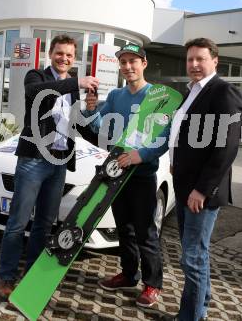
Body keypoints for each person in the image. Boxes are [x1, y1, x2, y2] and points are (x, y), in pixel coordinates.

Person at [0, 34, 99, 298]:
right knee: (18, 223)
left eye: (68, 55)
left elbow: (74, 124)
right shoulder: (37, 77)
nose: (64, 58)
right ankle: (6, 278)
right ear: (50, 54)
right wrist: (76, 81)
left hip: (60, 160)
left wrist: (90, 110)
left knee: (44, 224)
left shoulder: (74, 88)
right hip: (34, 160)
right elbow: (38, 94)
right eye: (59, 53)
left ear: (73, 59)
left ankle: (31, 278)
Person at [84, 44, 169, 308]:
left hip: (142, 175)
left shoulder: (158, 96)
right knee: (125, 229)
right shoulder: (117, 96)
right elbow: (99, 126)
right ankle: (129, 274)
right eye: (123, 62)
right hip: (117, 173)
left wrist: (140, 155)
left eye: (133, 61)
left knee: (146, 233)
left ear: (144, 63)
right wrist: (89, 109)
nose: (128, 66)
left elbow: (164, 139)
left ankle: (152, 285)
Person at [170, 38, 242, 321]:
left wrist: (202, 189)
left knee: (192, 258)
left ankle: (190, 316)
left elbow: (227, 147)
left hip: (201, 193)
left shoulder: (223, 91)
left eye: (200, 59)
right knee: (194, 256)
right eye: (190, 59)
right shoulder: (191, 92)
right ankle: (199, 308)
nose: (194, 64)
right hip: (184, 188)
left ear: (215, 61)